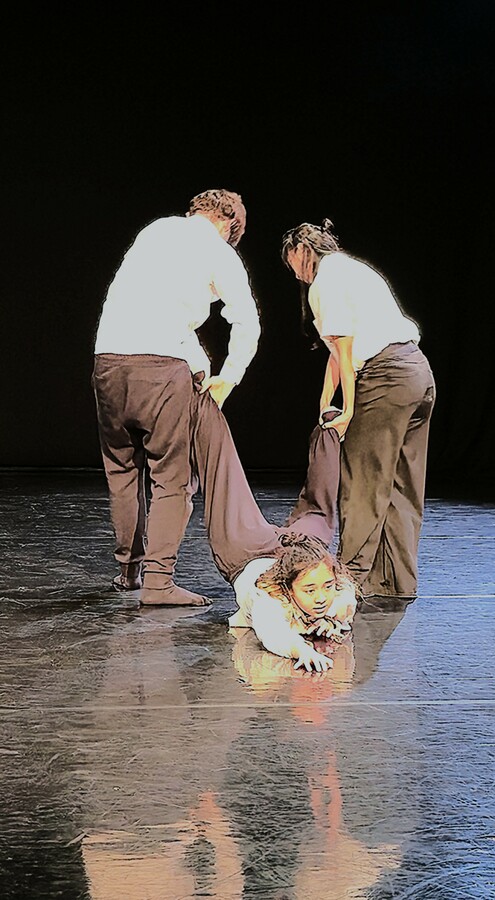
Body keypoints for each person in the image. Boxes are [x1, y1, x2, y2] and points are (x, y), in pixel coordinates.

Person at [92, 189, 261, 606]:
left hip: (107, 361)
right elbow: (247, 320)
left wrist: (198, 358)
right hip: (160, 370)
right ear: (228, 225)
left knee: (122, 471)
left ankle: (128, 572)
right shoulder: (219, 251)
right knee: (173, 478)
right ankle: (158, 583)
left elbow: (152, 304)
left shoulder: (154, 231)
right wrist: (228, 376)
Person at [281, 219, 435, 600]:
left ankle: (346, 583)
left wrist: (347, 408)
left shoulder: (325, 280)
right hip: (418, 373)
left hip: (385, 377)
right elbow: (336, 352)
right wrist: (324, 401)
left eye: (292, 263)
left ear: (303, 251)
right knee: (402, 486)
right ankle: (395, 582)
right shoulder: (355, 269)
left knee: (363, 484)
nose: (294, 274)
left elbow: (346, 349)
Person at [193, 393, 358, 672]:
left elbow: (345, 594)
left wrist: (329, 619)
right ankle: (203, 402)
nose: (321, 598)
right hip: (253, 552)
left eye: (326, 586)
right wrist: (300, 649)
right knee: (230, 484)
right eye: (310, 590)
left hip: (267, 554)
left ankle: (330, 427)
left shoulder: (335, 593)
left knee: (321, 512)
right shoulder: (269, 598)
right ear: (289, 588)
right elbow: (273, 634)